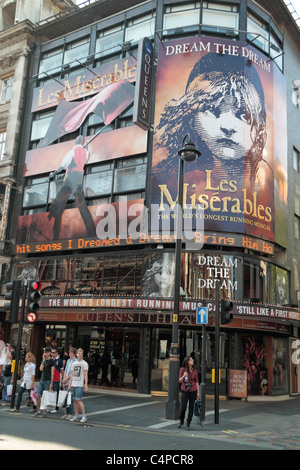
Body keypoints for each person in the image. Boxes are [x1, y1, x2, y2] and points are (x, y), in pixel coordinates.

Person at [48, 135, 96, 240]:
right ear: (82, 141)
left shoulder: (72, 152)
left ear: (75, 141)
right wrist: (86, 147)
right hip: (78, 180)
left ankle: (55, 237)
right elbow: (86, 159)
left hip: (70, 180)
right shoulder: (85, 152)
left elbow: (63, 165)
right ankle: (92, 234)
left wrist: (54, 173)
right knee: (82, 207)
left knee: (59, 208)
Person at [178, 356, 200, 430]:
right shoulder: (183, 370)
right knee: (183, 408)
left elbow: (197, 381)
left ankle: (188, 424)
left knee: (191, 407)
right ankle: (181, 420)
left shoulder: (195, 371)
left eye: (192, 359)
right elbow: (180, 381)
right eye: (191, 360)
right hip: (185, 390)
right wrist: (183, 376)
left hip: (193, 390)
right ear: (187, 362)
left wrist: (198, 392)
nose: (193, 360)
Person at [68, 348, 89, 423]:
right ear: (76, 354)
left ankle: (84, 415)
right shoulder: (74, 364)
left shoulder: (84, 363)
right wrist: (69, 384)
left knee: (79, 400)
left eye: (81, 353)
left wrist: (86, 384)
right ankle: (76, 415)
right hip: (73, 383)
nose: (80, 355)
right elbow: (72, 375)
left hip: (80, 384)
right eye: (79, 353)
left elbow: (86, 375)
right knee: (74, 400)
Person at [35, 346, 55, 417]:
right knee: (37, 395)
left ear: (49, 353)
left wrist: (51, 383)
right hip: (42, 379)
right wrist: (43, 360)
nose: (45, 354)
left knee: (45, 396)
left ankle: (45, 412)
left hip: (48, 380)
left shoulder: (52, 361)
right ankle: (39, 410)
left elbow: (52, 372)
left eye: (46, 352)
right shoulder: (44, 360)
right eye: (44, 352)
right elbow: (40, 369)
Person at [61, 347, 77, 420]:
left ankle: (70, 413)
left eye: (71, 353)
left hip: (71, 381)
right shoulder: (68, 361)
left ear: (74, 354)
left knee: (70, 397)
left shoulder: (75, 361)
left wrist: (66, 379)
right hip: (66, 379)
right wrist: (63, 379)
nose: (69, 354)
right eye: (69, 353)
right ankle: (67, 413)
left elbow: (72, 373)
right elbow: (65, 370)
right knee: (66, 397)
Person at [50, 348, 64, 414]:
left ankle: (56, 408)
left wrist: (63, 379)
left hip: (56, 379)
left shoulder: (59, 360)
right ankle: (50, 406)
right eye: (51, 352)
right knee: (50, 393)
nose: (52, 354)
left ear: (56, 353)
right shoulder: (50, 359)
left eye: (53, 352)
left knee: (56, 393)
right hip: (49, 378)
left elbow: (62, 370)